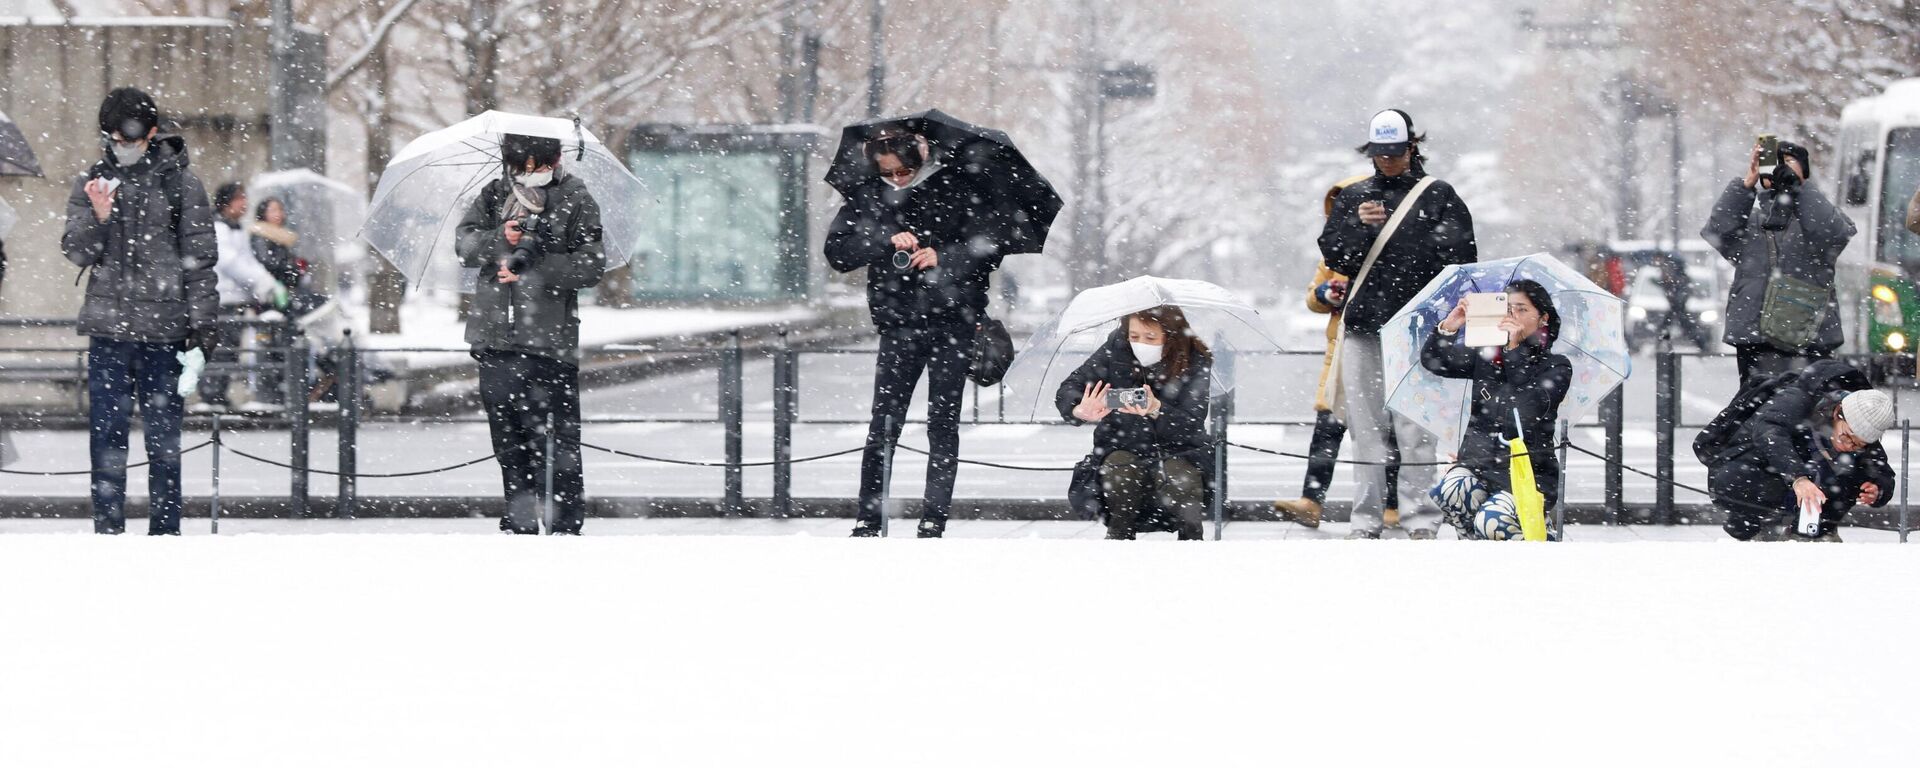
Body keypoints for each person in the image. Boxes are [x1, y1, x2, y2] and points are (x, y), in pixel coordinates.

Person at [825, 130, 1003, 538]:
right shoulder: (866, 196)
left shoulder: (959, 186)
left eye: (904, 170)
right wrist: (883, 239)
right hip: (898, 322)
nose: (897, 178)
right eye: (887, 172)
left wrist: (945, 255)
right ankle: (869, 518)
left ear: (921, 157)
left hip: (953, 322)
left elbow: (991, 246)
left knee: (943, 422)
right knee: (884, 423)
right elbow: (838, 253)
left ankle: (933, 520)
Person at [61, 87, 219, 535]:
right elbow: (77, 253)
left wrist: (204, 327)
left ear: (151, 133)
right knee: (105, 439)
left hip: (165, 334)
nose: (121, 146)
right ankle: (107, 531)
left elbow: (201, 261)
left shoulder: (181, 184)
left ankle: (164, 533)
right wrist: (99, 214)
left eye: (130, 137)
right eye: (113, 137)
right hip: (108, 333)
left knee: (164, 444)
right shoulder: (93, 182)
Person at [1317, 108, 1477, 539]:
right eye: (1379, 153)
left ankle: (1422, 521)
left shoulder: (1437, 194)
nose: (1386, 161)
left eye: (1394, 152)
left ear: (1412, 147)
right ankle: (1364, 521)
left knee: (1416, 430)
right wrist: (1359, 227)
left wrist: (1410, 237)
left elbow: (1460, 259)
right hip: (1365, 326)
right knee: (1364, 429)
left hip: (1417, 329)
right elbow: (1336, 257)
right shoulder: (1354, 197)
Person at [455, 133, 606, 535]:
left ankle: (563, 525)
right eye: (521, 166)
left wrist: (536, 263)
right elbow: (465, 245)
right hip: (495, 339)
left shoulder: (576, 198)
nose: (529, 173)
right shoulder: (493, 194)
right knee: (508, 441)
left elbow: (590, 266)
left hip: (549, 343)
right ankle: (519, 520)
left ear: (555, 159)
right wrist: (499, 240)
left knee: (558, 444)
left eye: (538, 165)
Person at [1275, 177, 1401, 530]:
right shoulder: (1335, 250)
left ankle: (1391, 504)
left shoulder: (1390, 244)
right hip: (1340, 348)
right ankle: (1312, 500)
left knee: (1383, 427)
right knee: (1328, 424)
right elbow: (1313, 296)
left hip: (1375, 343)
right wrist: (1327, 295)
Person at [1421, 280, 1572, 540]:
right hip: (1479, 464)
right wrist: (1449, 327)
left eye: (1522, 310)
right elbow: (1436, 361)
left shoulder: (1556, 366)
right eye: (1508, 309)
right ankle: (1476, 548)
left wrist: (1515, 351)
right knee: (1453, 488)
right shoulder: (1488, 355)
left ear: (1543, 318)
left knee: (1493, 521)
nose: (1512, 316)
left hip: (1528, 473)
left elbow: (1523, 415)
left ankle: (1535, 543)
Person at [1702, 138, 1856, 385]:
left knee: (1807, 409)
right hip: (1756, 336)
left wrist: (1800, 188)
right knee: (1756, 410)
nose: (1778, 167)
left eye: (1787, 162)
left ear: (1804, 170)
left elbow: (1833, 235)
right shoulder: (1749, 221)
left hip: (1809, 334)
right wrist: (1746, 183)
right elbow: (1718, 232)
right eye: (1772, 162)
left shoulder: (1822, 216)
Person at [1696, 359, 1895, 542]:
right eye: (1846, 436)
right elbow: (1769, 431)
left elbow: (1881, 469)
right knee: (1742, 477)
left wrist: (1878, 489)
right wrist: (1798, 478)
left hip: (1807, 481)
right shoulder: (1801, 396)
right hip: (1757, 466)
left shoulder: (1864, 426)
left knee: (1855, 471)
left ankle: (1815, 530)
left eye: (1859, 444)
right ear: (1837, 413)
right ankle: (1761, 525)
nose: (1849, 445)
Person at [1058, 306, 1212, 540]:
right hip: (1122, 445)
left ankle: (1191, 542)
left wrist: (1157, 409)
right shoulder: (1116, 349)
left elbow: (1193, 421)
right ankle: (1119, 536)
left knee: (1181, 480)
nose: (1141, 343)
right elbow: (1070, 387)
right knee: (1119, 472)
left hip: (1181, 450)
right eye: (1134, 336)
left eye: (1151, 337)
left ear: (1170, 336)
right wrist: (1079, 408)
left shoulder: (1194, 359)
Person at [199, 181, 288, 411]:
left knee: (229, 351)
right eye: (240, 198)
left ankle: (218, 395)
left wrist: (266, 282)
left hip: (236, 300)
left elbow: (248, 262)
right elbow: (231, 263)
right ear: (227, 202)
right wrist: (262, 282)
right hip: (221, 299)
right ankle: (212, 395)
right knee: (220, 351)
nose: (244, 203)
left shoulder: (236, 228)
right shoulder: (219, 229)